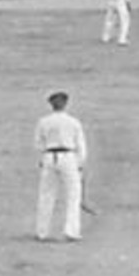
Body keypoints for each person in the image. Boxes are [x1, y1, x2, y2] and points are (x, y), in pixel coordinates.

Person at [34, 91, 88, 242]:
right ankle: (71, 231)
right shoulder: (73, 122)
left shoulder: (43, 122)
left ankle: (42, 231)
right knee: (73, 195)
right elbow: (81, 146)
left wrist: (42, 157)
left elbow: (38, 143)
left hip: (49, 156)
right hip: (68, 156)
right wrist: (80, 164)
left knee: (46, 194)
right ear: (65, 104)